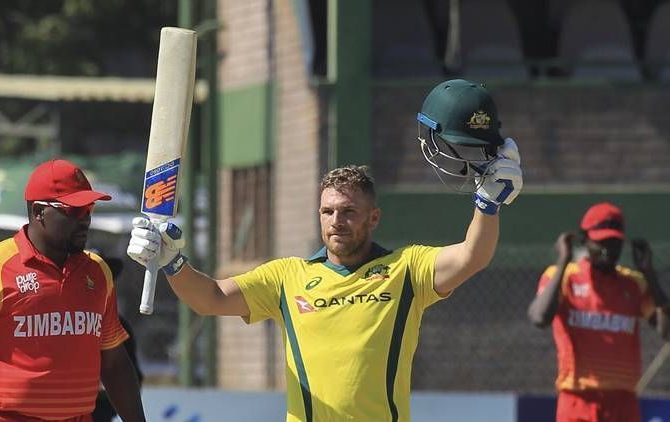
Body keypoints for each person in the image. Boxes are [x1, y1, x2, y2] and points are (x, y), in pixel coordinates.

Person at [127, 79, 523, 421]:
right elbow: (211, 298)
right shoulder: (286, 277)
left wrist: (487, 204)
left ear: (373, 218)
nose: (336, 220)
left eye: (349, 212)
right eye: (328, 211)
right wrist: (172, 261)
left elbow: (474, 255)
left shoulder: (406, 269)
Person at [0, 159, 145, 422]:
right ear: (39, 211)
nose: (86, 219)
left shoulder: (98, 273)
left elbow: (114, 364)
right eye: (74, 210)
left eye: (89, 208)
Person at [528, 202, 670, 422]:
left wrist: (650, 275)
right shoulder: (564, 277)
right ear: (584, 240)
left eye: (614, 243)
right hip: (577, 400)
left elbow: (666, 332)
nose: (607, 250)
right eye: (601, 242)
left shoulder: (634, 283)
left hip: (623, 403)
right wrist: (564, 260)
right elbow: (539, 318)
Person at [91, 254, 144, 422]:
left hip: (100, 413)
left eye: (104, 278)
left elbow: (127, 374)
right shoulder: (60, 322)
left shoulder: (120, 327)